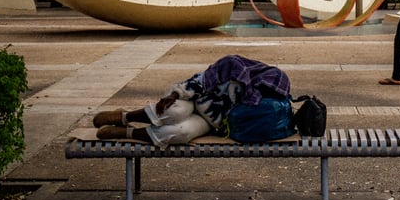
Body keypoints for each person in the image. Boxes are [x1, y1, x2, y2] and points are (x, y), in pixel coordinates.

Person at [93, 55, 292, 146]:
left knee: (180, 133)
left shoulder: (263, 107)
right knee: (174, 113)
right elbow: (198, 82)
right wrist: (174, 95)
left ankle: (128, 133)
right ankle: (125, 116)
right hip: (192, 99)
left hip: (209, 122)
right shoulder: (234, 66)